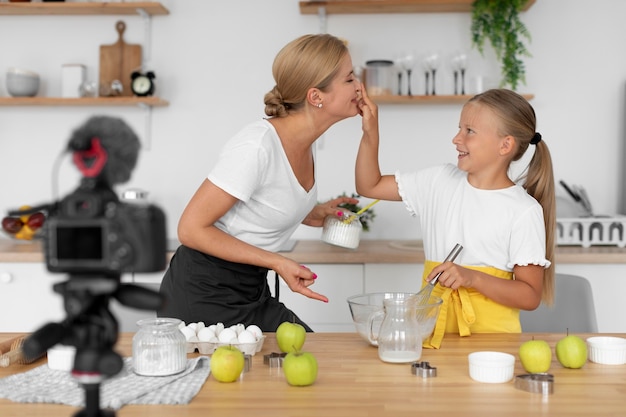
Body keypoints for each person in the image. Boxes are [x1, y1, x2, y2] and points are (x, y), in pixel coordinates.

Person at [158, 33, 367, 332]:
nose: (359, 86)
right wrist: (277, 262)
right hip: (202, 293)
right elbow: (190, 229)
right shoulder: (257, 145)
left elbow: (265, 201)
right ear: (316, 96)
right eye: (349, 79)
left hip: (249, 289)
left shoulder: (304, 142)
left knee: (306, 356)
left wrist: (313, 212)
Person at [355, 88, 556, 348]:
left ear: (504, 145)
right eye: (459, 128)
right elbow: (368, 186)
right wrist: (370, 131)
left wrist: (472, 278)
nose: (456, 138)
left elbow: (530, 296)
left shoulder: (523, 210)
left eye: (469, 131)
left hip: (495, 346)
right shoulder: (439, 181)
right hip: (432, 338)